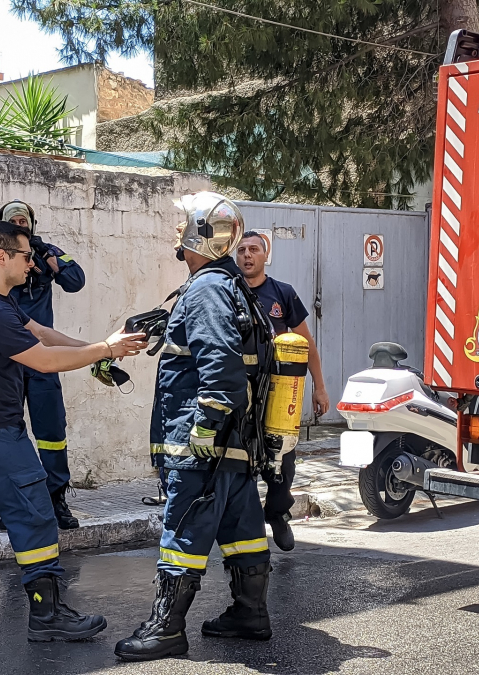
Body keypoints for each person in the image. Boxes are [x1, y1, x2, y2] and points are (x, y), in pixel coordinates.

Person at [0, 220, 147, 646]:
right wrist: (106, 350)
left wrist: (97, 346)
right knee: (36, 515)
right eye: (26, 257)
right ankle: (47, 615)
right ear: (1, 257)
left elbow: (40, 334)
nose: (33, 265)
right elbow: (41, 361)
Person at [115, 193, 272, 662]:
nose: (175, 233)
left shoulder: (206, 288)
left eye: (181, 224)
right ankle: (249, 613)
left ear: (199, 234)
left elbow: (221, 364)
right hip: (236, 441)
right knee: (241, 526)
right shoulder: (232, 286)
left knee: (183, 526)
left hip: (202, 442)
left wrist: (204, 430)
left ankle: (167, 628)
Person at [0, 200, 85, 530]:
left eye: (25, 221)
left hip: (38, 358)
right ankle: (14, 504)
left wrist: (52, 264)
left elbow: (76, 280)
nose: (21, 226)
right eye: (14, 223)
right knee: (6, 435)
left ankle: (55, 499)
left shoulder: (43, 251)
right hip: (3, 362)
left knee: (52, 432)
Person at [235, 231, 330, 551]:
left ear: (265, 256)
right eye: (242, 250)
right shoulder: (228, 291)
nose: (247, 255)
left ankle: (277, 513)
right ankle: (244, 526)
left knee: (283, 461)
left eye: (253, 250)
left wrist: (320, 387)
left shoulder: (282, 293)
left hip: (279, 393)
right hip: (240, 392)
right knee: (240, 459)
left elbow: (306, 345)